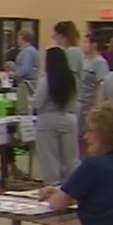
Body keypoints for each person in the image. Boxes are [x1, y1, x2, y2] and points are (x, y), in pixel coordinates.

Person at [33, 46, 80, 185]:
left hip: (48, 118)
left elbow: (38, 102)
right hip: (69, 117)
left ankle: (53, 185)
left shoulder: (47, 80)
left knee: (50, 157)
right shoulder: (72, 79)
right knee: (71, 157)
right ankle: (73, 185)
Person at [78, 34, 110, 148]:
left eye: (86, 42)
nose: (83, 45)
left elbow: (101, 85)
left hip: (89, 106)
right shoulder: (84, 61)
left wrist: (97, 107)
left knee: (87, 139)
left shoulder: (100, 63)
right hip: (79, 105)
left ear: (94, 45)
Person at [13, 29, 40, 115]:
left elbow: (25, 68)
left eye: (18, 37)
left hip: (25, 83)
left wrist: (13, 74)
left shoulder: (27, 51)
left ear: (22, 38)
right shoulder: (33, 50)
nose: (17, 40)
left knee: (23, 109)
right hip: (32, 82)